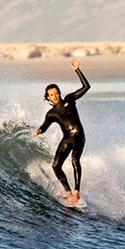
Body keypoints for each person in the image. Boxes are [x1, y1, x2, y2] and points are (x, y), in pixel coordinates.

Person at [36, 59, 91, 206]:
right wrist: (39, 131)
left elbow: (86, 86)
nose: (55, 96)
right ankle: (67, 191)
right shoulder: (51, 114)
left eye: (56, 93)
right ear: (47, 97)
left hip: (78, 135)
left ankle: (77, 192)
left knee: (74, 160)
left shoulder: (69, 99)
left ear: (59, 93)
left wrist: (77, 70)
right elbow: (45, 126)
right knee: (55, 166)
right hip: (67, 138)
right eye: (51, 95)